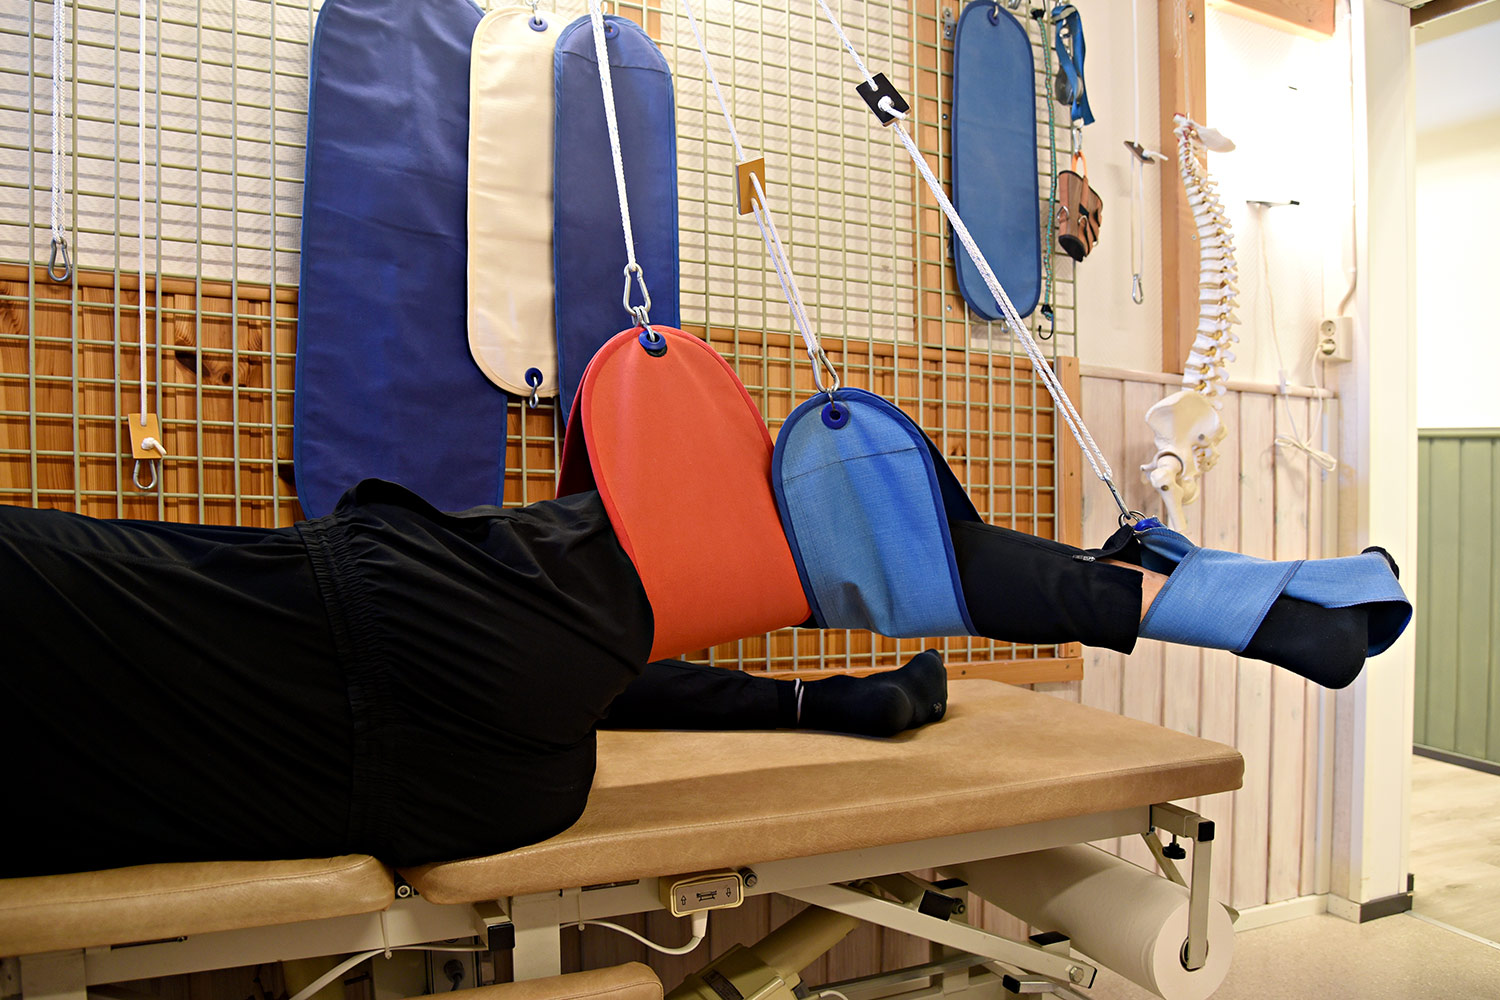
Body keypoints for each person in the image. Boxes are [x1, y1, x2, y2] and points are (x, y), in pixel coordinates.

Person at [0, 476, 1406, 878]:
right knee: (830, 521)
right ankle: (1244, 606)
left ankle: (1240, 605)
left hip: (454, 786)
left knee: (628, 622)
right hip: (416, 641)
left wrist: (829, 703)